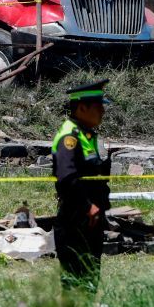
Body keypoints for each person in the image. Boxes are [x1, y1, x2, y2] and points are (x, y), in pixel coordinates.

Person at [51, 79, 112, 292]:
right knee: (76, 286)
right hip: (75, 221)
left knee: (89, 283)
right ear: (82, 108)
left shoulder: (87, 136)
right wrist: (88, 206)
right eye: (98, 106)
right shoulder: (70, 137)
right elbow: (66, 177)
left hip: (90, 222)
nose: (103, 111)